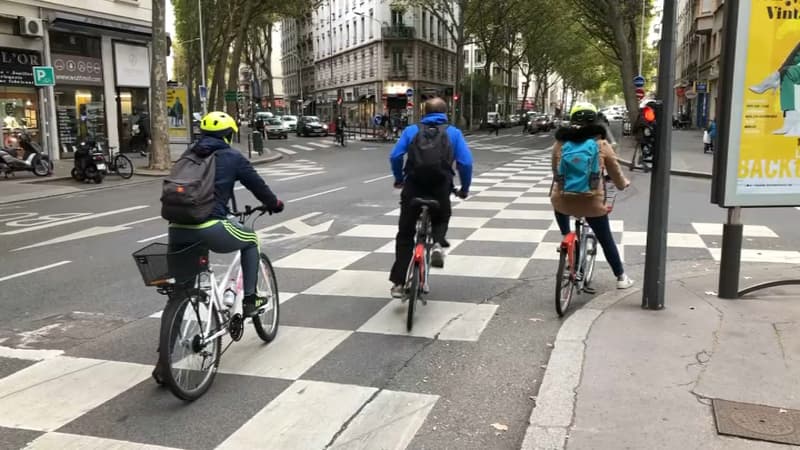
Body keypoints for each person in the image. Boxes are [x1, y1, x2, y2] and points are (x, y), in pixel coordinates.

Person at [167, 111, 285, 316]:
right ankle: (250, 300)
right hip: (210, 226)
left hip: (177, 229)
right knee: (250, 241)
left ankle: (171, 338)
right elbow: (258, 186)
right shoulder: (232, 157)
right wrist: (274, 203)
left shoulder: (187, 156)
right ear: (228, 135)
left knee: (182, 291)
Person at [388, 97, 473, 298]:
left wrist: (399, 178)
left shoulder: (411, 130)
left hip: (413, 187)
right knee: (442, 216)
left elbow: (395, 156)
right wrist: (465, 188)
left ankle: (399, 283)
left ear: (424, 112)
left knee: (405, 234)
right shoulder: (453, 133)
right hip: (440, 187)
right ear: (446, 112)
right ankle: (437, 242)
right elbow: (466, 163)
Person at [550, 102, 634, 290]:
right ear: (595, 120)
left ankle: (566, 238)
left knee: (559, 208)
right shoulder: (601, 144)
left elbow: (556, 171)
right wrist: (622, 184)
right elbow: (614, 171)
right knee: (605, 239)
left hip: (563, 200)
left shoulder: (560, 143)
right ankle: (621, 277)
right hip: (591, 203)